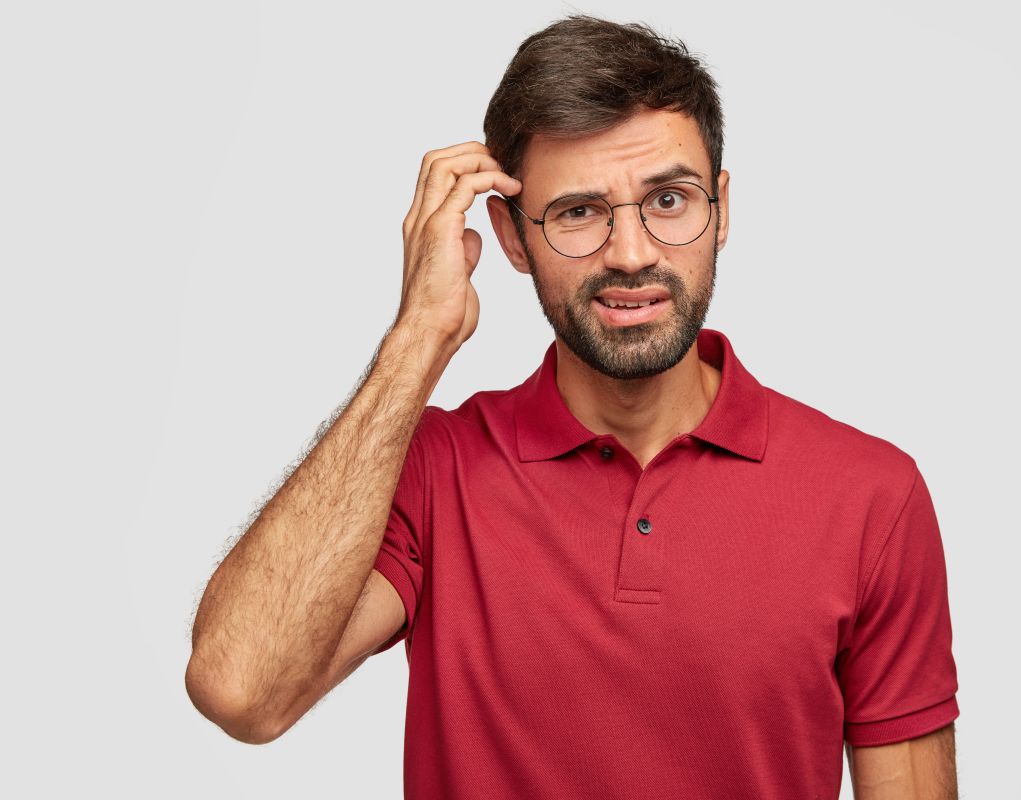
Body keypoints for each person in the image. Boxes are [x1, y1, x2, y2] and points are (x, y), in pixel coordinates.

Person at [185, 13, 960, 799]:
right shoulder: (432, 470)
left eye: (669, 199)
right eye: (578, 213)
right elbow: (243, 691)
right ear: (512, 238)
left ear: (721, 209)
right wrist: (418, 337)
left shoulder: (870, 496)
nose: (631, 254)